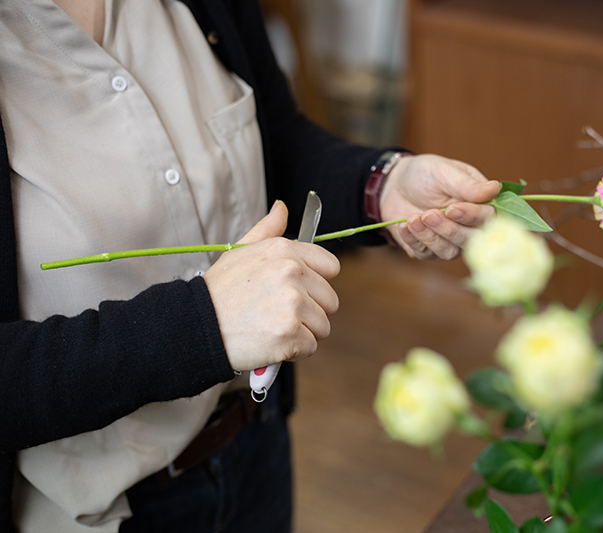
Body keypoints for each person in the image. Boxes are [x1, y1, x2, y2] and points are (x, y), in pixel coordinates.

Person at [0, 0, 500, 532]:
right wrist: (203, 325)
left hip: (253, 443)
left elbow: (275, 140)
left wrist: (381, 185)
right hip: (108, 511)